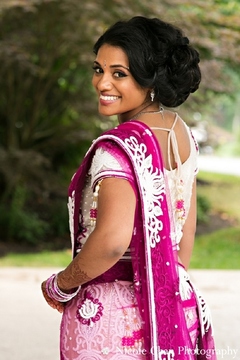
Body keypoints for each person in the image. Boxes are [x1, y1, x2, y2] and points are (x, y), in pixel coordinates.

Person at [41, 16, 216, 359]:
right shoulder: (182, 134)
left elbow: (110, 243)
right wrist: (163, 295)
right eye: (98, 69)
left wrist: (61, 285)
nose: (102, 83)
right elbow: (185, 234)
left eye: (119, 73)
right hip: (175, 305)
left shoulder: (118, 148)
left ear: (150, 79)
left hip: (114, 319)